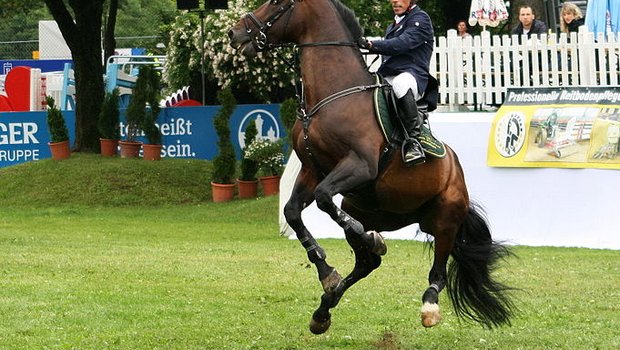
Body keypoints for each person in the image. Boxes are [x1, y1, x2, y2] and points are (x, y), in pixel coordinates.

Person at [358, 0, 433, 165]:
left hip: (412, 75)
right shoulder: (392, 26)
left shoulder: (420, 18)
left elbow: (401, 44)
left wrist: (371, 44)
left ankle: (414, 141)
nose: (394, 1)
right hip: (389, 74)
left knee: (400, 84)